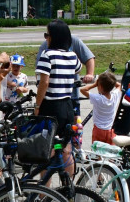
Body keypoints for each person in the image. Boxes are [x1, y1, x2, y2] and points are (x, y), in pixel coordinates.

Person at [34, 20, 81, 177]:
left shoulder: (47, 55)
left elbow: (44, 83)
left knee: (46, 151)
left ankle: (43, 194)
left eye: (47, 35)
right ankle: (69, 188)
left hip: (50, 107)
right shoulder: (72, 56)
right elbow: (78, 68)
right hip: (67, 106)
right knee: (66, 149)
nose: (46, 38)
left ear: (54, 37)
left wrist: (37, 105)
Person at [38, 32, 96, 114]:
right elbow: (40, 72)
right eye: (46, 35)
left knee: (75, 119)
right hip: (52, 97)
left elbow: (89, 58)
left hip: (70, 94)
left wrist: (89, 74)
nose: (47, 38)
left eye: (48, 35)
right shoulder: (45, 46)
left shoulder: (74, 41)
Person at [80, 70, 121, 146]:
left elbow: (82, 90)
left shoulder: (98, 98)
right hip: (111, 130)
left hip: (98, 130)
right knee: (110, 153)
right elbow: (119, 85)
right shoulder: (115, 96)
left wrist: (94, 84)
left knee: (97, 153)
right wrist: (110, 82)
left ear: (100, 86)